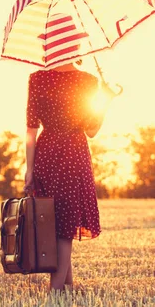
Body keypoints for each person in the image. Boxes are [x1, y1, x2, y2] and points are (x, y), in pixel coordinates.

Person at [23, 59, 115, 293]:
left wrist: (30, 169)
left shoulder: (37, 78)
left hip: (46, 153)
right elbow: (92, 130)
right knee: (65, 227)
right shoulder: (88, 81)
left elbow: (31, 129)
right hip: (74, 154)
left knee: (54, 223)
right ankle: (56, 293)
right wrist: (106, 99)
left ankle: (66, 290)